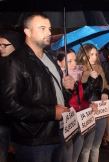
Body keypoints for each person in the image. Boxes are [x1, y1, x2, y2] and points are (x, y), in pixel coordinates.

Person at [0, 13, 75, 162]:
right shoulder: (15, 62)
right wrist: (50, 112)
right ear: (27, 32)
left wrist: (66, 89)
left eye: (49, 28)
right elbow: (9, 106)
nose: (49, 32)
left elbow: (55, 96)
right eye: (42, 28)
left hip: (58, 132)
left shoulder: (51, 58)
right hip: (34, 140)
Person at [77, 44, 109, 162]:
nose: (94, 57)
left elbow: (106, 84)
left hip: (100, 109)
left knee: (97, 145)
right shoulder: (79, 70)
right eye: (91, 54)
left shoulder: (99, 68)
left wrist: (105, 92)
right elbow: (80, 94)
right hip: (87, 109)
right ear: (84, 55)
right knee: (87, 147)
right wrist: (90, 78)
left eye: (96, 54)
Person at [0, 30, 22, 162]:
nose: (0, 48)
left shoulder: (23, 65)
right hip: (2, 121)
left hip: (20, 122)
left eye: (4, 45)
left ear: (15, 45)